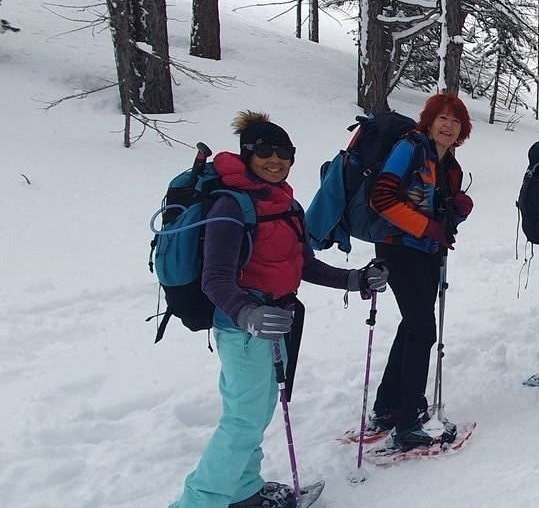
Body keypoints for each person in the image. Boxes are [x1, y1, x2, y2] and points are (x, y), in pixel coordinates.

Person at [172, 111, 388, 508]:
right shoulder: (230, 206)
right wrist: (247, 314)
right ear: (247, 154)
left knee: (256, 413)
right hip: (244, 330)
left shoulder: (286, 203)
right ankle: (198, 502)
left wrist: (354, 279)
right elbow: (214, 278)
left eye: (283, 152)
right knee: (242, 420)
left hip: (277, 322)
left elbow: (304, 264)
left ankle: (243, 490)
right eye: (265, 151)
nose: (275, 160)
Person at [364, 92, 474, 449]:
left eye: (455, 121)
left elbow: (440, 216)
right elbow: (381, 199)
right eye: (442, 118)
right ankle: (408, 422)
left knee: (413, 325)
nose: (448, 126)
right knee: (422, 330)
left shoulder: (449, 165)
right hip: (399, 248)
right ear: (429, 121)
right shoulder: (408, 149)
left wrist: (457, 213)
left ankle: (389, 407)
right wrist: (428, 228)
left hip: (426, 251)